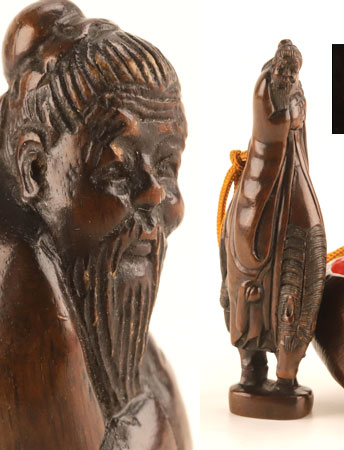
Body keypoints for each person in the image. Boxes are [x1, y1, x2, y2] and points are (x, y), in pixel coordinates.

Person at [0, 2, 190, 448]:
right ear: (34, 170)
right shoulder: (29, 330)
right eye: (117, 170)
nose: (154, 195)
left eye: (167, 167)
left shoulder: (109, 318)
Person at [220, 40, 326, 416]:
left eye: (292, 72)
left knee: (302, 265)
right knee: (246, 271)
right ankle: (251, 371)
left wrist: (296, 115)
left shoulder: (293, 92)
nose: (287, 76)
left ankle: (286, 375)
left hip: (291, 174)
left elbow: (295, 124)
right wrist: (290, 117)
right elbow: (270, 131)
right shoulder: (265, 91)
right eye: (283, 70)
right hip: (263, 181)